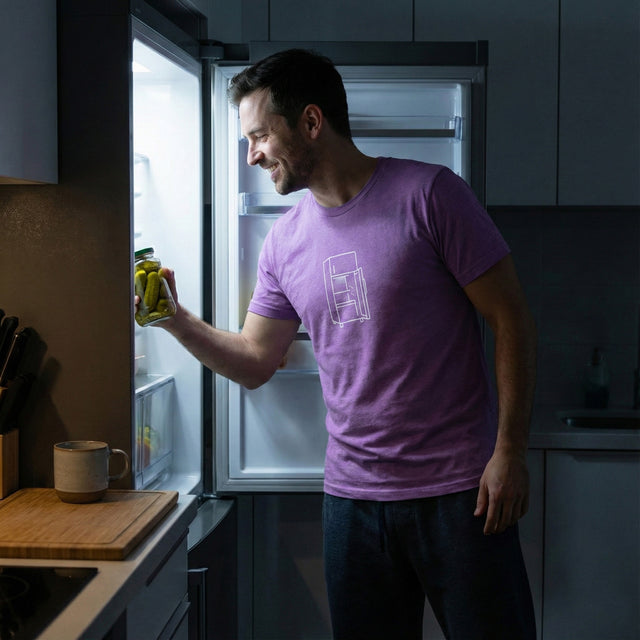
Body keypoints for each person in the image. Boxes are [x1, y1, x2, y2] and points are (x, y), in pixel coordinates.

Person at [153, 49, 537, 639]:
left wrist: (509, 451)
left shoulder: (431, 195)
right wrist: (174, 319)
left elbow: (511, 320)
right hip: (352, 502)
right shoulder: (284, 242)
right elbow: (257, 361)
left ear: (311, 123)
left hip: (461, 494)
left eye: (259, 135)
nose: (251, 154)